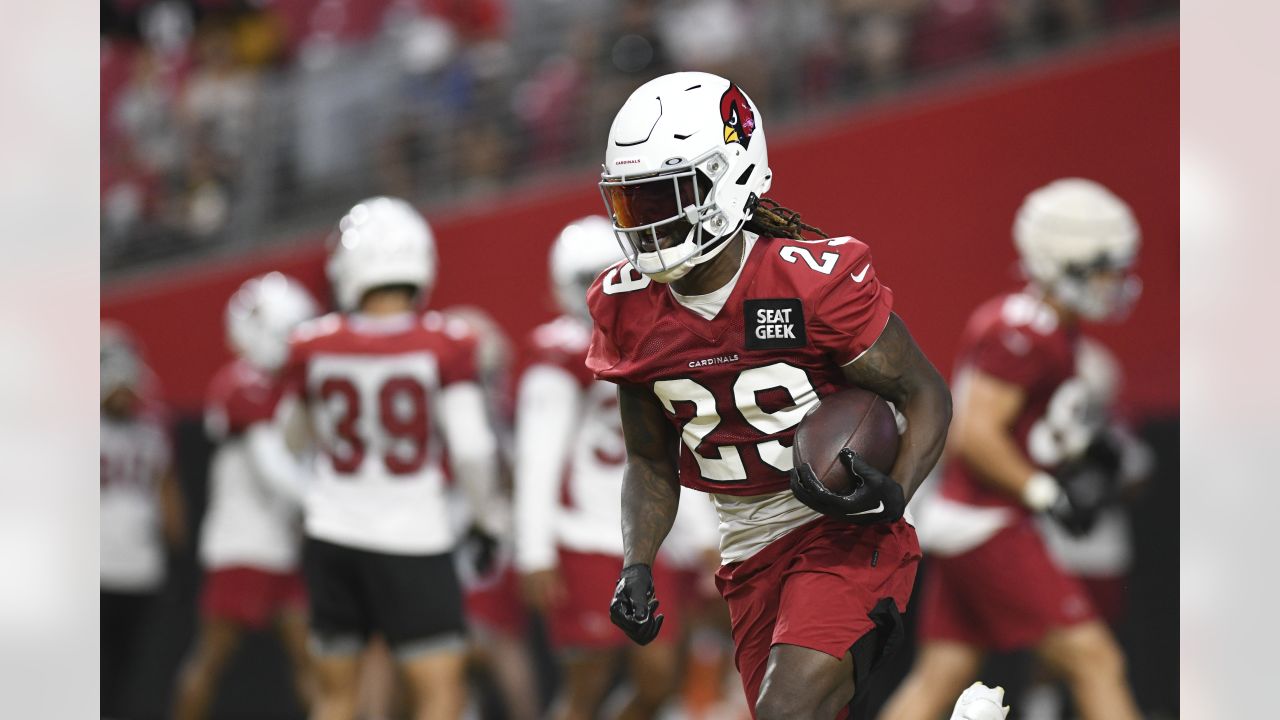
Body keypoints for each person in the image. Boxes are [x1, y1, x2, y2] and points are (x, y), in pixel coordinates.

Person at [585, 71, 954, 720]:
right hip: (746, 550)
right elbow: (649, 459)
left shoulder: (808, 280)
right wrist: (636, 562)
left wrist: (894, 490)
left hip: (839, 528)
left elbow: (924, 393)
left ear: (731, 175)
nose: (651, 222)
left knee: (786, 711)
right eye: (634, 203)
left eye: (668, 195)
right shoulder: (625, 308)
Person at [878, 178, 1145, 720]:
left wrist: (1084, 453)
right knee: (1096, 660)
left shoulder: (1050, 329)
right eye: (1104, 265)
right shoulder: (1023, 330)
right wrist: (1046, 492)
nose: (1115, 280)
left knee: (939, 677)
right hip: (989, 523)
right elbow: (974, 434)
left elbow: (1032, 427)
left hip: (968, 520)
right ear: (1065, 262)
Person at [268, 196, 505, 720]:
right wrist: (488, 522)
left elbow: (291, 437)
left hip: (332, 531)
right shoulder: (446, 342)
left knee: (334, 698)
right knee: (438, 695)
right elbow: (472, 448)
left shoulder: (312, 343)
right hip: (413, 535)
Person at [514, 215, 720, 719]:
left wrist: (700, 532)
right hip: (583, 533)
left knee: (659, 678)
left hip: (647, 536)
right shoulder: (557, 355)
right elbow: (536, 460)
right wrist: (533, 548)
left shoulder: (651, 337)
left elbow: (673, 444)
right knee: (588, 680)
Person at [172, 272, 321, 720]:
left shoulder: (285, 390)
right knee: (212, 659)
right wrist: (327, 505)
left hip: (281, 547)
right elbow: (272, 467)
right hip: (242, 546)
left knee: (312, 661)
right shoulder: (241, 383)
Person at [101, 323, 186, 718]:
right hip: (94, 568)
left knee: (121, 669)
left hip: (137, 570)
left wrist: (174, 543)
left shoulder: (151, 434)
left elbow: (170, 504)